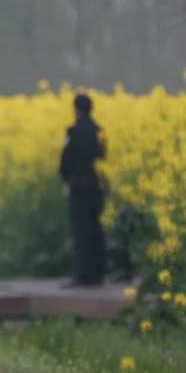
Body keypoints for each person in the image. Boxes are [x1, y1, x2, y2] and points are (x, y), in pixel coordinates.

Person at [60, 93, 106, 287]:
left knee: (81, 233)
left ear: (76, 110)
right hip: (97, 190)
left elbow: (65, 161)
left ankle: (82, 276)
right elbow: (104, 159)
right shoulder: (99, 131)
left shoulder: (73, 132)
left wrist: (67, 178)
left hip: (79, 190)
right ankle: (97, 275)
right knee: (96, 231)